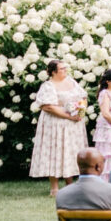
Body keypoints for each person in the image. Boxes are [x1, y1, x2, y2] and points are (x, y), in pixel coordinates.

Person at [30, 60, 89, 196]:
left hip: (73, 125)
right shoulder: (48, 86)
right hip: (55, 124)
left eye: (65, 68)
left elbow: (83, 97)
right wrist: (69, 116)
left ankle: (70, 183)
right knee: (55, 152)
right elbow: (48, 106)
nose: (65, 70)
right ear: (53, 72)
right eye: (62, 69)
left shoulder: (71, 82)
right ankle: (54, 187)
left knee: (70, 152)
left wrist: (80, 111)